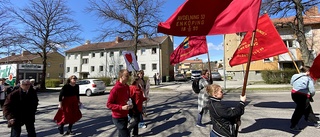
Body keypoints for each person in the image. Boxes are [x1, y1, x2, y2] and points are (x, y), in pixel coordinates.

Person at [290, 66, 319, 131]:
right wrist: (311, 95)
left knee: (307, 108)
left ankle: (313, 120)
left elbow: (291, 83)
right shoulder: (308, 79)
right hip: (303, 96)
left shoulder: (295, 76)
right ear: (308, 72)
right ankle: (293, 125)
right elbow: (312, 90)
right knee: (300, 110)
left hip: (294, 94)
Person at [107, 69, 132, 137]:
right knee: (126, 134)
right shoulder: (115, 89)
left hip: (125, 116)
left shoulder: (127, 87)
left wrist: (130, 104)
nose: (128, 77)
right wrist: (121, 107)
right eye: (126, 76)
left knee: (121, 135)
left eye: (128, 75)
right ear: (121, 76)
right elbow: (109, 104)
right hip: (117, 117)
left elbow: (127, 98)